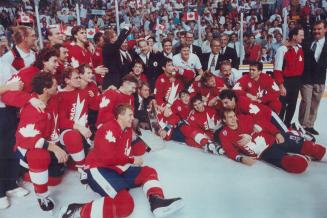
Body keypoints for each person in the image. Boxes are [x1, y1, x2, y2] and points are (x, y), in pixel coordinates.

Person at [59, 104, 184, 218]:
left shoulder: (128, 130)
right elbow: (107, 157)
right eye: (130, 115)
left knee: (148, 171)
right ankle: (76, 211)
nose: (132, 118)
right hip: (99, 168)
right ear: (120, 115)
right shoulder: (108, 128)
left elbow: (127, 152)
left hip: (118, 168)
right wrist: (131, 159)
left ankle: (157, 202)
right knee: (125, 204)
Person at [15, 72, 68, 212]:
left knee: (56, 179)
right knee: (39, 156)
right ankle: (41, 194)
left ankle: (34, 174)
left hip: (50, 142)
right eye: (55, 85)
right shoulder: (32, 110)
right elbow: (27, 138)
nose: (58, 86)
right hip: (29, 148)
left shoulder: (52, 98)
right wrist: (55, 149)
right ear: (45, 89)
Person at [219, 110, 326, 173]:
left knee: (308, 146)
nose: (234, 119)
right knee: (296, 164)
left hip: (274, 139)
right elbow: (229, 150)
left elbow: (265, 124)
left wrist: (277, 133)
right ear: (224, 120)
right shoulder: (224, 134)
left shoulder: (244, 118)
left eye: (234, 116)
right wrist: (241, 158)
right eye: (229, 117)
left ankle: (320, 153)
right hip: (265, 151)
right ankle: (303, 158)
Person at [0, 60, 29, 209]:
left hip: (8, 110)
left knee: (11, 149)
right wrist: (8, 87)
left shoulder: (3, 63)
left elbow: (17, 76)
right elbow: (11, 85)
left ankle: (11, 185)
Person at [299, 20, 327, 135]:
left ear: (325, 29)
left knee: (315, 103)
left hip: (320, 79)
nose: (316, 31)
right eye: (315, 29)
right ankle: (302, 126)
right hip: (306, 78)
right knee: (306, 101)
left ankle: (310, 125)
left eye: (319, 29)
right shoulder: (306, 41)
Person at [274, 27, 305, 128]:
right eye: (301, 35)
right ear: (294, 36)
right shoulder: (282, 49)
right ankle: (279, 127)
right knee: (282, 106)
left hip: (296, 82)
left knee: (292, 105)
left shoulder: (300, 49)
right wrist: (281, 85)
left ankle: (287, 125)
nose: (303, 37)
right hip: (285, 82)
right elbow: (277, 70)